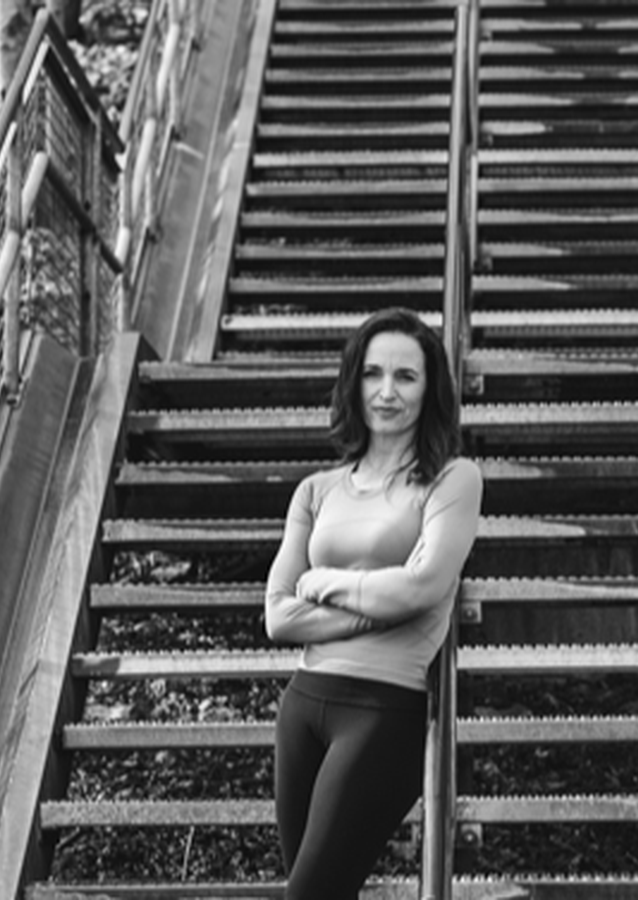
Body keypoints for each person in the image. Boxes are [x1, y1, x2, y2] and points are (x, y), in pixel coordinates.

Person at [264, 307, 483, 900]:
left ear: (430, 389)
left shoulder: (453, 479)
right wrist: (381, 604)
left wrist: (324, 581)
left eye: (406, 377)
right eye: (372, 374)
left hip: (383, 711)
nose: (387, 392)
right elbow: (279, 616)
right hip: (302, 708)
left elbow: (423, 588)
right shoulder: (316, 490)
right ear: (353, 383)